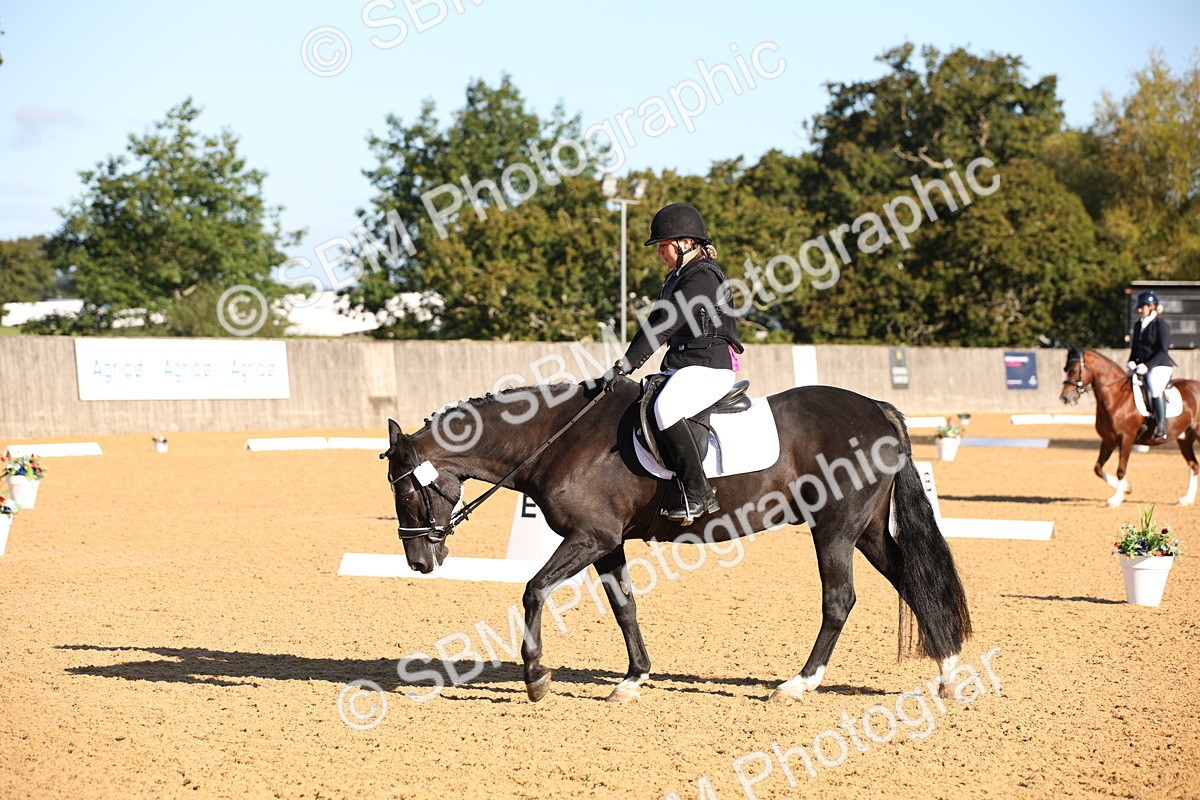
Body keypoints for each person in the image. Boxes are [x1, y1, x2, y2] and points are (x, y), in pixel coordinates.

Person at [597, 202, 744, 523]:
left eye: (664, 245)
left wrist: (627, 365)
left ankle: (699, 493)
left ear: (685, 243)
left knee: (666, 409)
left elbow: (667, 323)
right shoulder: (677, 277)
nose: (659, 252)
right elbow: (654, 322)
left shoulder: (702, 276)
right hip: (683, 365)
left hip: (709, 366)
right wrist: (624, 363)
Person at [1127, 290, 1176, 440]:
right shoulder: (1138, 325)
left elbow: (1163, 350)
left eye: (1142, 307)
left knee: (1154, 386)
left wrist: (1147, 365)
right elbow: (1135, 348)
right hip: (1142, 365)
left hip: (1160, 365)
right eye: (1139, 307)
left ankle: (1161, 426)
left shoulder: (1161, 325)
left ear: (1152, 306)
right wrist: (1131, 361)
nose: (1139, 310)